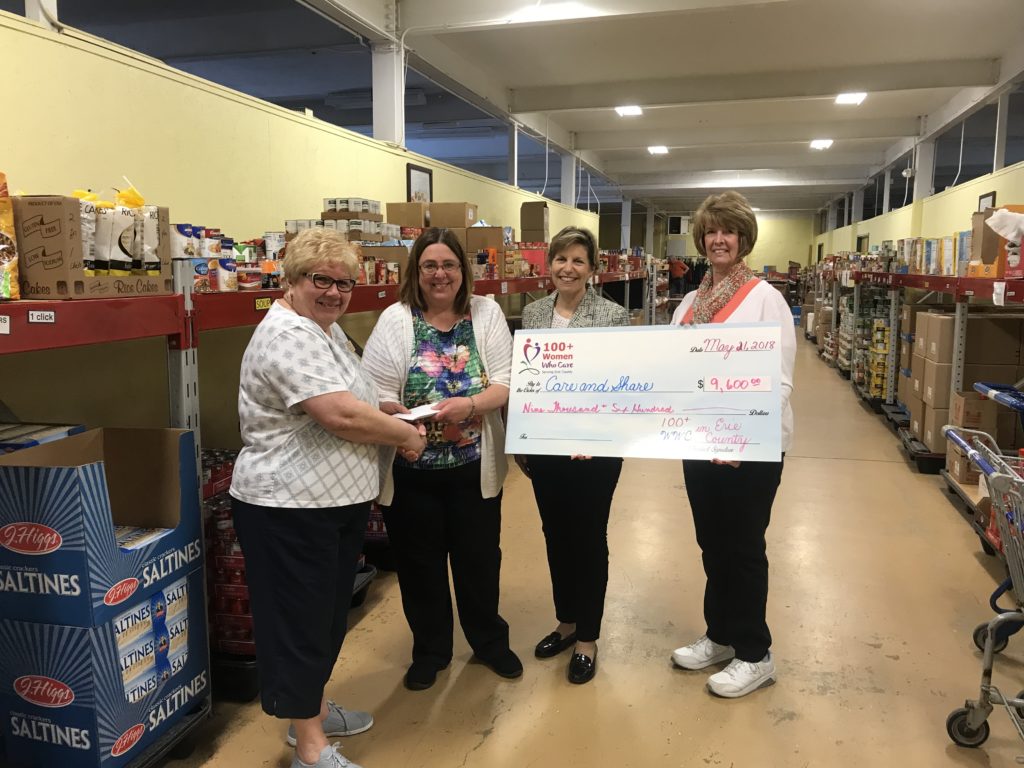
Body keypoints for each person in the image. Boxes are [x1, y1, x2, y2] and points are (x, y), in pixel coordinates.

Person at [230, 228, 427, 768]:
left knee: (322, 620)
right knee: (300, 623)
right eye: (321, 280)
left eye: (345, 283)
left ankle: (309, 710)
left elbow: (354, 400)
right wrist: (406, 435)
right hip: (289, 508)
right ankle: (311, 749)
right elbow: (338, 414)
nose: (335, 292)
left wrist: (392, 415)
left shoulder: (327, 331)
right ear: (292, 280)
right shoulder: (288, 334)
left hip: (329, 505)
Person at [361, 227, 521, 691]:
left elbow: (505, 383)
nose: (440, 274)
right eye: (430, 265)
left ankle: (489, 642)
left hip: (474, 467)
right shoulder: (396, 319)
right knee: (419, 566)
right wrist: (394, 413)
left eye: (449, 264)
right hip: (411, 471)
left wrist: (468, 407)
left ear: (462, 270)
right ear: (417, 272)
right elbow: (377, 390)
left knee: (479, 561)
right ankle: (430, 651)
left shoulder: (486, 313)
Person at [668, 191, 795, 699]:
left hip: (750, 449)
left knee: (743, 548)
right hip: (700, 443)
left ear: (743, 238)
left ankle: (754, 652)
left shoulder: (766, 298)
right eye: (711, 231)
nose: (718, 239)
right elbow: (673, 372)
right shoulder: (688, 303)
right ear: (701, 239)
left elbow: (780, 380)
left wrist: (744, 437)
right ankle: (720, 635)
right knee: (712, 544)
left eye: (728, 231)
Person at [517, 226, 630, 685]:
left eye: (578, 260)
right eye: (561, 259)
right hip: (547, 447)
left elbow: (621, 384)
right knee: (555, 533)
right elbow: (528, 382)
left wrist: (597, 436)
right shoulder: (533, 312)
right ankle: (565, 621)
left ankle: (587, 636)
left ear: (592, 269)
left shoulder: (613, 316)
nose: (568, 268)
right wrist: (524, 440)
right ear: (549, 266)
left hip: (594, 452)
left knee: (587, 537)